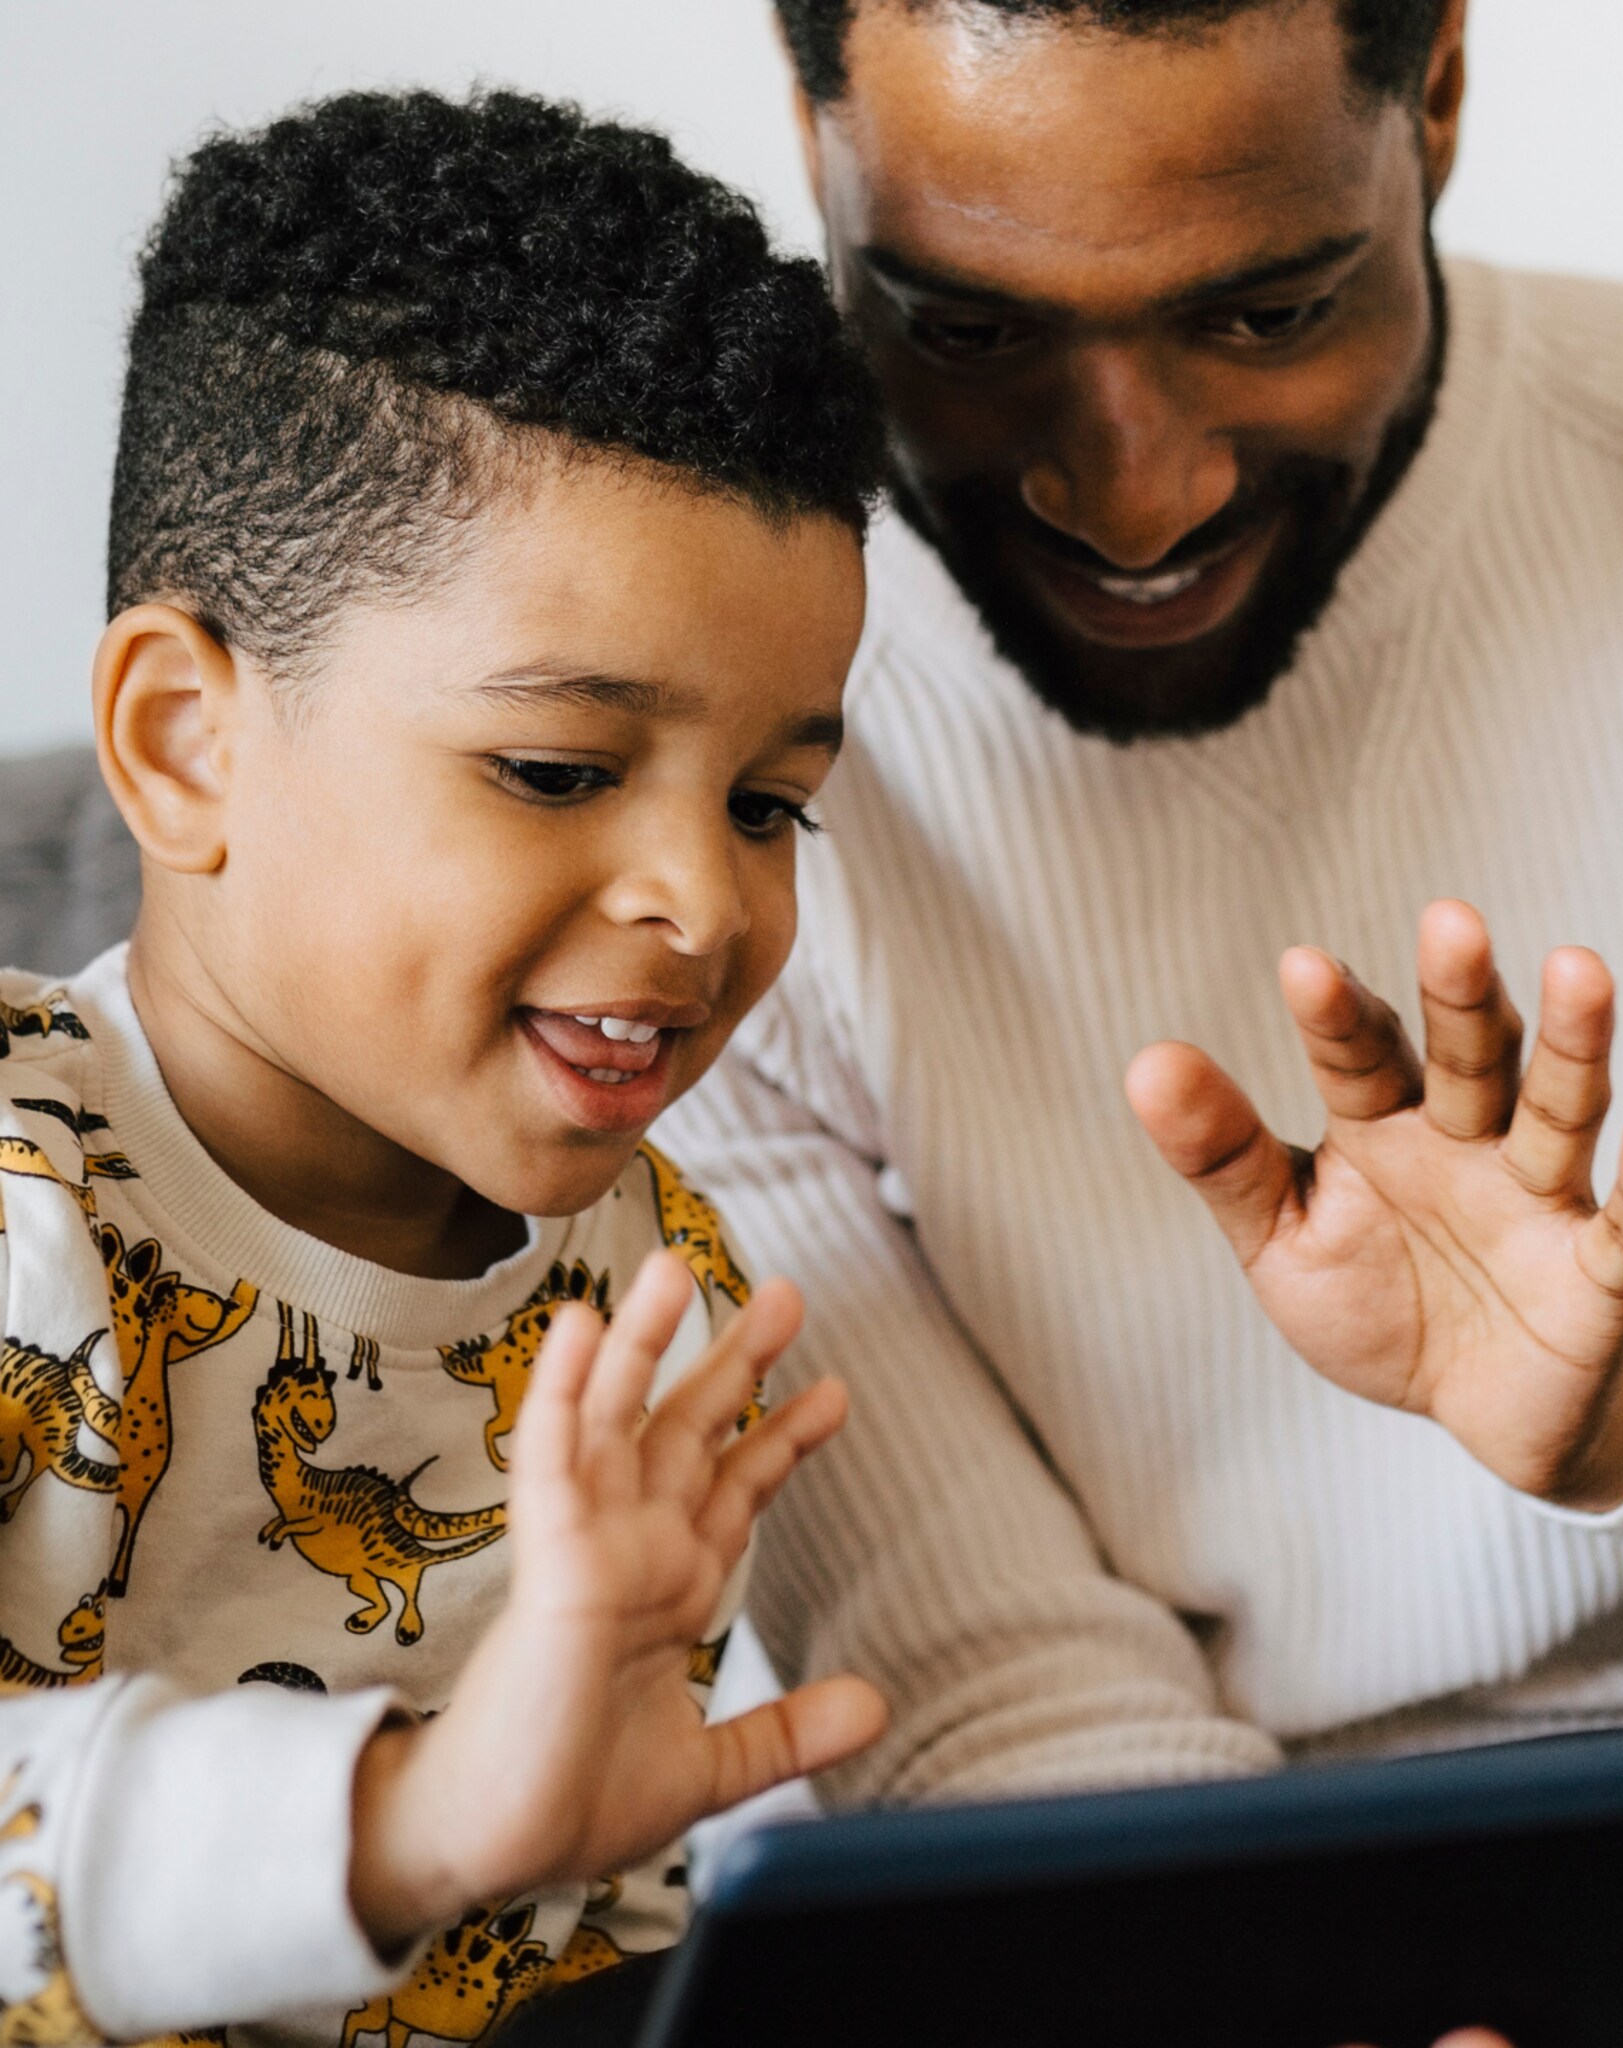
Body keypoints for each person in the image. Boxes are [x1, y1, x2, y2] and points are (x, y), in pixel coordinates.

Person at [657, 0, 1623, 1803]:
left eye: (1267, 315)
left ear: (1441, 92)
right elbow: (992, 1685)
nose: (1137, 498)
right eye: (969, 329)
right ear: (809, 126)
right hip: (1195, 1921)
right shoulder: (702, 753)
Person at [0, 88, 890, 2041]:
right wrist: (411, 1819)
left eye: (769, 804)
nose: (698, 900)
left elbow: (582, 1921)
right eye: (558, 771)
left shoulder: (658, 1300)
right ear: (179, 743)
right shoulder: (18, 1207)